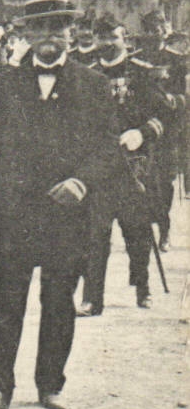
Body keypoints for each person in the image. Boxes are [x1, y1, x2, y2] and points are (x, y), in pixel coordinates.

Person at [0, 0, 117, 409]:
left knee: (58, 300)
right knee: (6, 301)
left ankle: (50, 382)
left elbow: (108, 149)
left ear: (71, 34)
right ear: (26, 36)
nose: (51, 37)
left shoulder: (93, 85)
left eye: (60, 29)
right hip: (14, 212)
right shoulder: (5, 84)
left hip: (68, 211)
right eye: (41, 29)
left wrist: (81, 181)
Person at [78, 17, 173, 314]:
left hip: (136, 166)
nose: (107, 44)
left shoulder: (142, 74)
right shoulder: (86, 75)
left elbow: (165, 115)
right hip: (100, 167)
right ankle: (92, 299)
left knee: (137, 231)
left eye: (113, 38)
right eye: (101, 38)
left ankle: (143, 288)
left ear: (124, 39)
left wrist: (141, 133)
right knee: (95, 235)